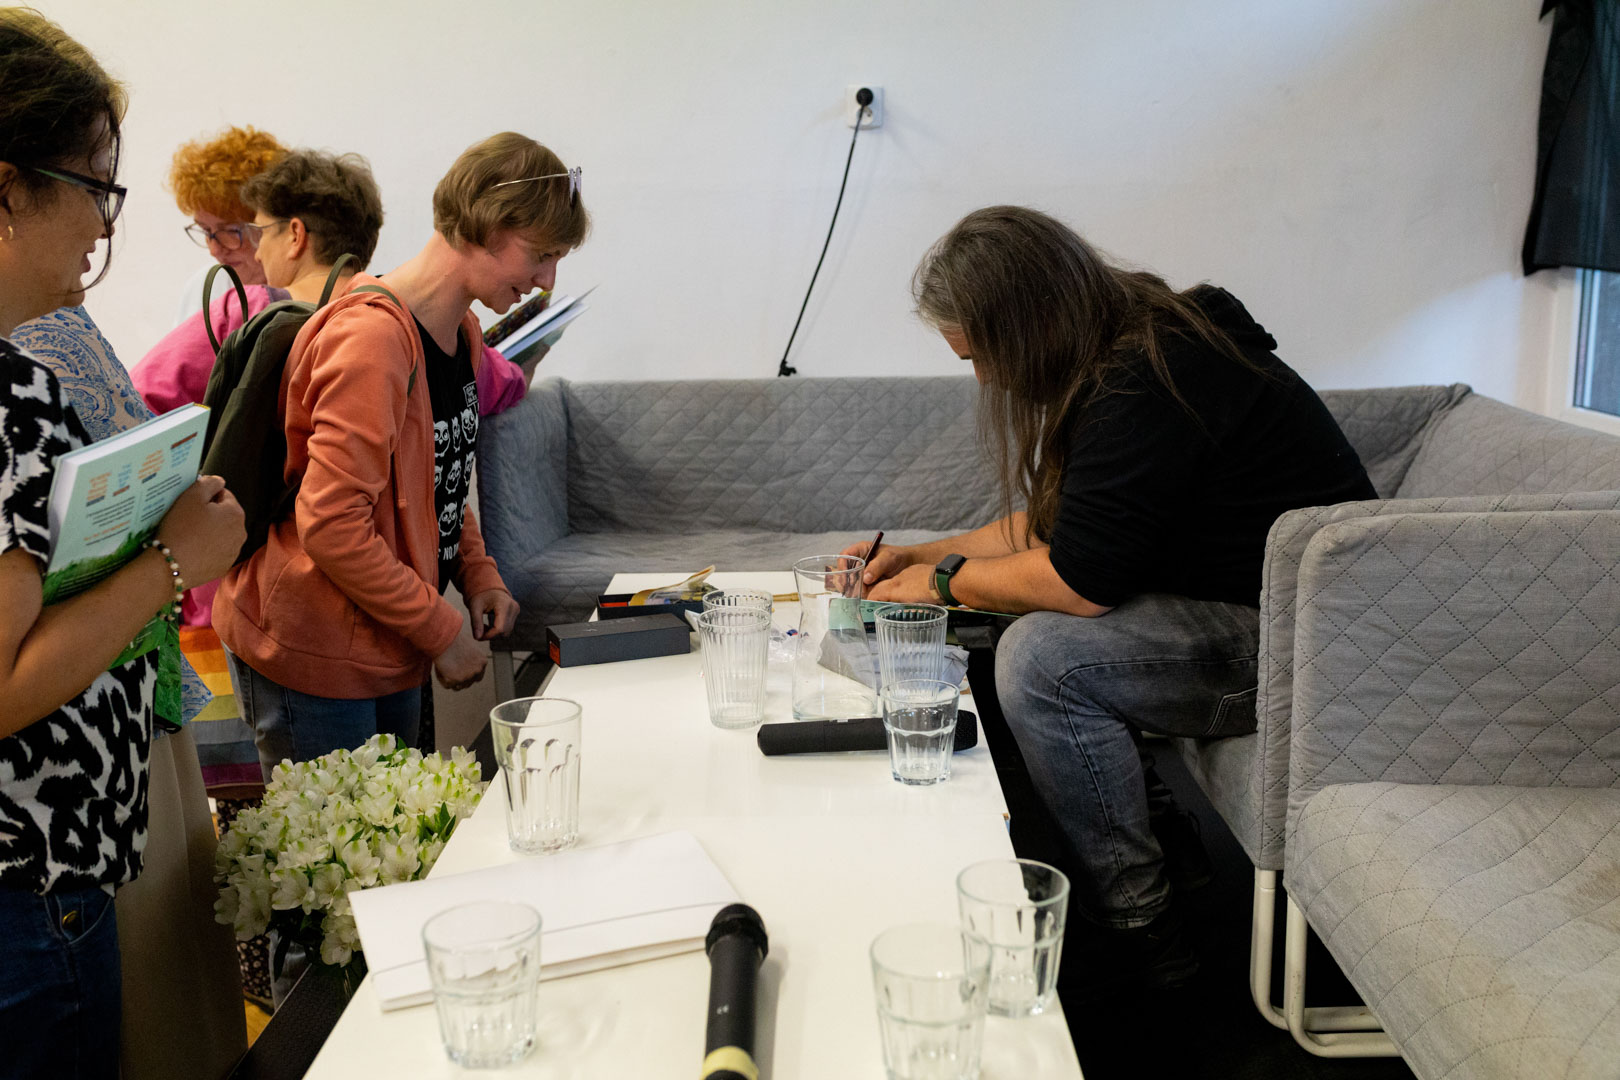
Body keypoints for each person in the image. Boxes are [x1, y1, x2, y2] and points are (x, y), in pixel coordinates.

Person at [851, 206, 1377, 995]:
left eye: (982, 356)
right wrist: (923, 555)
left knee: (1043, 660)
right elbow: (1059, 529)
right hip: (1269, 613)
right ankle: (1168, 844)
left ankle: (1139, 925)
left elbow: (1079, 581)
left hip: (1310, 647)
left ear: (1027, 324)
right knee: (1015, 618)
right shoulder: (1128, 344)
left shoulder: (1148, 377)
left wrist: (942, 583)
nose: (986, 379)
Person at [0, 9, 245, 1076]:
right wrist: (175, 560)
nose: (103, 230)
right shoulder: (10, 390)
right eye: (95, 188)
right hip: (29, 880)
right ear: (9, 188)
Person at [214, 131, 589, 780]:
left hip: (385, 639)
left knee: (395, 832)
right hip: (315, 650)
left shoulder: (462, 330)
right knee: (337, 844)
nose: (546, 280)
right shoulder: (372, 340)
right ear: (485, 227)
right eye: (540, 254)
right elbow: (331, 526)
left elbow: (437, 474)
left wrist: (478, 572)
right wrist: (441, 630)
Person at [12, 306, 247, 1079]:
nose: (101, 246)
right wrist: (171, 563)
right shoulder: (17, 383)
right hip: (44, 833)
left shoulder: (50, 334)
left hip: (91, 775)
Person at [165, 124, 285, 325]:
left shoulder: (306, 294)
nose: (214, 250)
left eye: (230, 231)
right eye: (206, 231)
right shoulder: (205, 288)